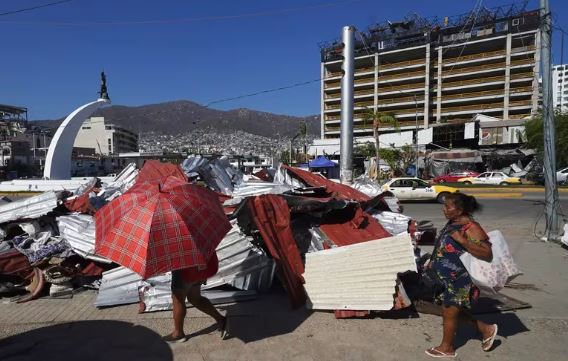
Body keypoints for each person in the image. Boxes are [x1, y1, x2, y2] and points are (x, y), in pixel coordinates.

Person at [425, 193, 498, 358]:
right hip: (445, 277)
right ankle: (487, 329)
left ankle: (447, 348)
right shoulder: (453, 223)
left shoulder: (471, 227)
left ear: (460, 210)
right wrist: (433, 260)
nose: (444, 210)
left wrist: (463, 241)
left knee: (450, 311)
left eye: (448, 206)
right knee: (450, 311)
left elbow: (487, 253)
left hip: (460, 278)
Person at [163, 254, 227, 343]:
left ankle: (178, 333)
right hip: (200, 265)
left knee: (178, 299)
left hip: (183, 267)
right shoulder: (199, 240)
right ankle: (221, 320)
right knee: (195, 298)